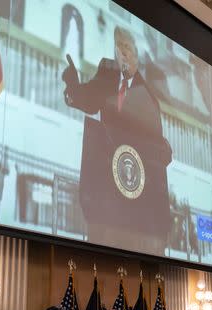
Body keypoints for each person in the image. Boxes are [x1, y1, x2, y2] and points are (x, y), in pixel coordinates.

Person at [61, 26, 172, 256]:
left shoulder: (148, 96)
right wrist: (73, 84)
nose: (123, 53)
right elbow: (89, 101)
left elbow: (154, 143)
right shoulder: (107, 73)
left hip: (134, 197)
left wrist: (162, 151)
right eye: (119, 47)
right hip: (105, 184)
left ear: (137, 57)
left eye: (128, 48)